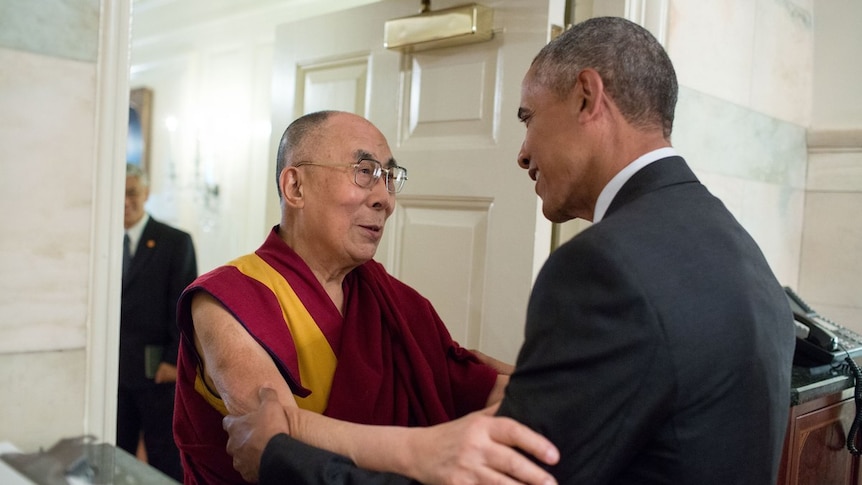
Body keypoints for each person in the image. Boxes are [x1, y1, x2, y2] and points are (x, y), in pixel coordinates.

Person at [222, 16, 797, 485]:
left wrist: (282, 455)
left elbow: (507, 475)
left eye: (528, 118)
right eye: (362, 172)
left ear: (586, 97)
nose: (521, 153)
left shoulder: (606, 266)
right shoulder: (741, 250)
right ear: (294, 186)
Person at [171, 110, 558, 485]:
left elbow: (465, 381)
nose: (384, 200)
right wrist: (431, 449)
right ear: (295, 187)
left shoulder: (395, 303)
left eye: (390, 178)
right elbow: (277, 446)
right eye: (365, 172)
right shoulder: (227, 300)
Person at [118, 163, 197, 481]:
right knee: (117, 453)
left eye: (132, 192)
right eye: (119, 193)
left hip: (157, 374)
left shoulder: (174, 241)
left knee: (164, 455)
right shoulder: (102, 242)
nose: (125, 201)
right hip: (114, 374)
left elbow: (185, 306)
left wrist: (172, 360)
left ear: (146, 194)